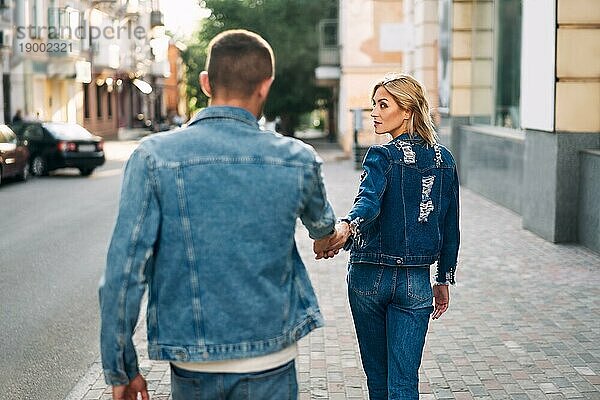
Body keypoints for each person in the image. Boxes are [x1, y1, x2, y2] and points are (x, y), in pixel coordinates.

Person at [99, 29, 340, 400]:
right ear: (266, 85)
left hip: (193, 362)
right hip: (271, 358)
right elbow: (322, 226)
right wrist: (333, 235)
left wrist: (121, 369)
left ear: (206, 82)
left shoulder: (153, 158)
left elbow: (124, 273)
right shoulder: (297, 159)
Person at [321, 73, 460, 399]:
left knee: (379, 378)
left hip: (369, 277)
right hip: (415, 283)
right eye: (374, 105)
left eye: (383, 105)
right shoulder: (445, 160)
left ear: (408, 110)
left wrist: (345, 229)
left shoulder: (381, 155)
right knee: (404, 382)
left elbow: (366, 206)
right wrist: (443, 278)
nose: (375, 113)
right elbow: (450, 226)